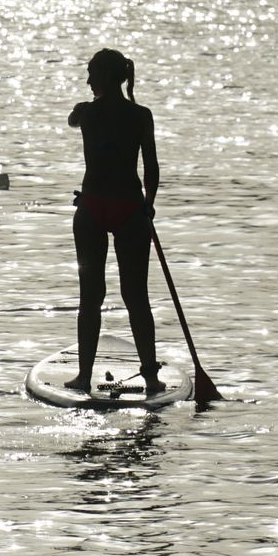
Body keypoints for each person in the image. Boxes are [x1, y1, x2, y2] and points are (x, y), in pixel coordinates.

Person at [65, 48, 163, 395]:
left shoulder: (86, 113)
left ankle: (84, 377)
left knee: (92, 297)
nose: (88, 80)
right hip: (129, 208)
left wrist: (83, 109)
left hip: (94, 207)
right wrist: (148, 206)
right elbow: (151, 170)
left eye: (92, 74)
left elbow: (72, 120)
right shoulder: (141, 115)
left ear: (106, 77)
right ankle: (151, 378)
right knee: (135, 296)